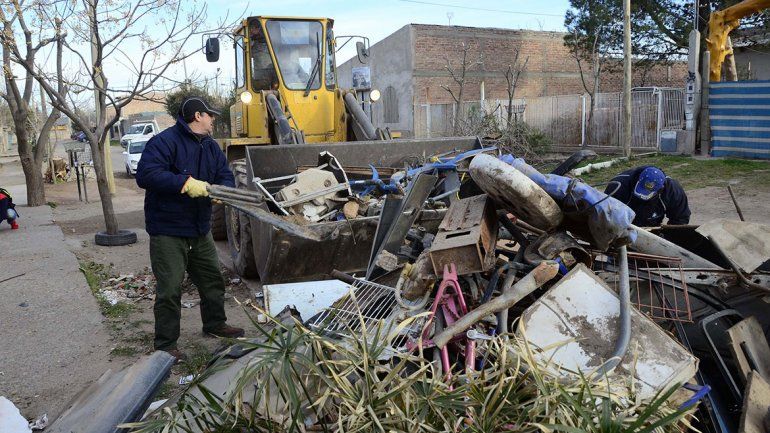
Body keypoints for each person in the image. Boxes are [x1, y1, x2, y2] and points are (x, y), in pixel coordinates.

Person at [136, 97, 243, 361]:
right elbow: (146, 175)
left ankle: (215, 324)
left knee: (212, 281)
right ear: (197, 116)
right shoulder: (164, 142)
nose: (213, 119)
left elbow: (224, 174)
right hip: (168, 230)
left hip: (199, 228)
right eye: (210, 115)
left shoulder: (210, 147)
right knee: (171, 289)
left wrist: (222, 191)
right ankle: (165, 345)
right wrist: (185, 183)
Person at [605, 165, 691, 227]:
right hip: (621, 226)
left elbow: (680, 219)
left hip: (651, 228)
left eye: (647, 194)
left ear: (660, 189)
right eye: (641, 191)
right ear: (639, 179)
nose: (642, 197)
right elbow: (605, 213)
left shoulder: (672, 190)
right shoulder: (618, 185)